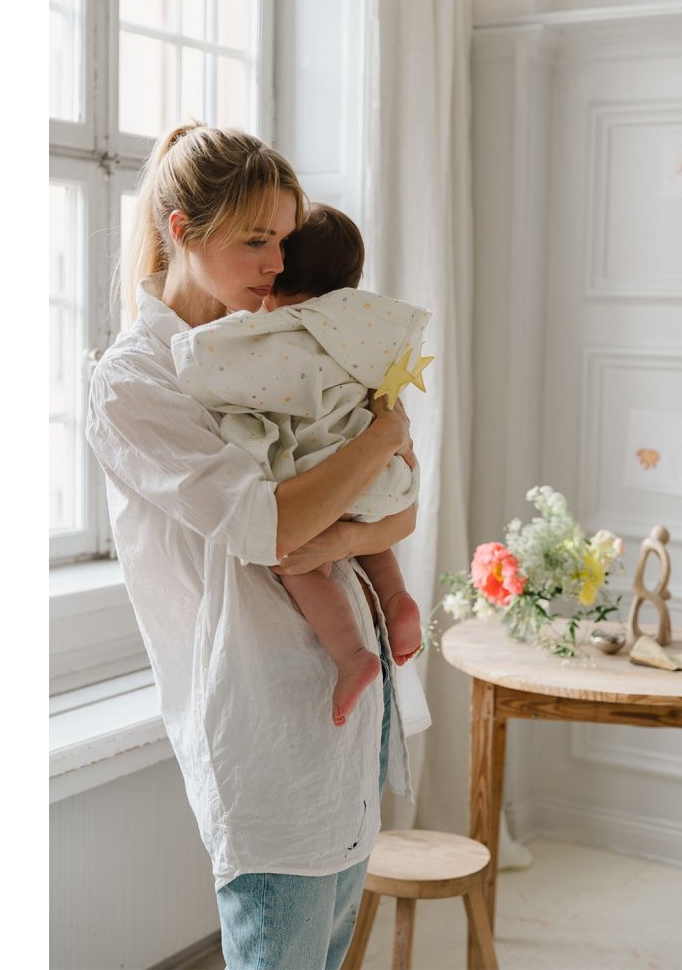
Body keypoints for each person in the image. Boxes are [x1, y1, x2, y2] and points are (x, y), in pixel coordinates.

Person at [85, 122, 417, 970]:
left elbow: (398, 516)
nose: (278, 262)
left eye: (285, 239)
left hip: (351, 705)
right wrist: (382, 438)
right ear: (182, 230)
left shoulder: (280, 342)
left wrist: (359, 504)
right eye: (256, 240)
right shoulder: (135, 380)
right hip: (266, 722)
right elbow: (272, 526)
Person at [171, 203, 425, 728]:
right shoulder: (368, 328)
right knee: (367, 530)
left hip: (320, 473)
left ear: (281, 274)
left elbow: (210, 371)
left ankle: (351, 655)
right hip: (381, 473)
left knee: (299, 565)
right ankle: (398, 598)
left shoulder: (278, 334)